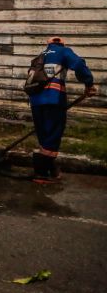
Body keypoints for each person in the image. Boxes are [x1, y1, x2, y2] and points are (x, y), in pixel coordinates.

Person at [28, 36, 97, 183]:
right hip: (54, 99)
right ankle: (41, 174)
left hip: (35, 101)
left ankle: (51, 171)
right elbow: (78, 63)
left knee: (44, 135)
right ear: (62, 43)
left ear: (48, 44)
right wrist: (88, 83)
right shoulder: (64, 51)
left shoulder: (40, 56)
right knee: (53, 134)